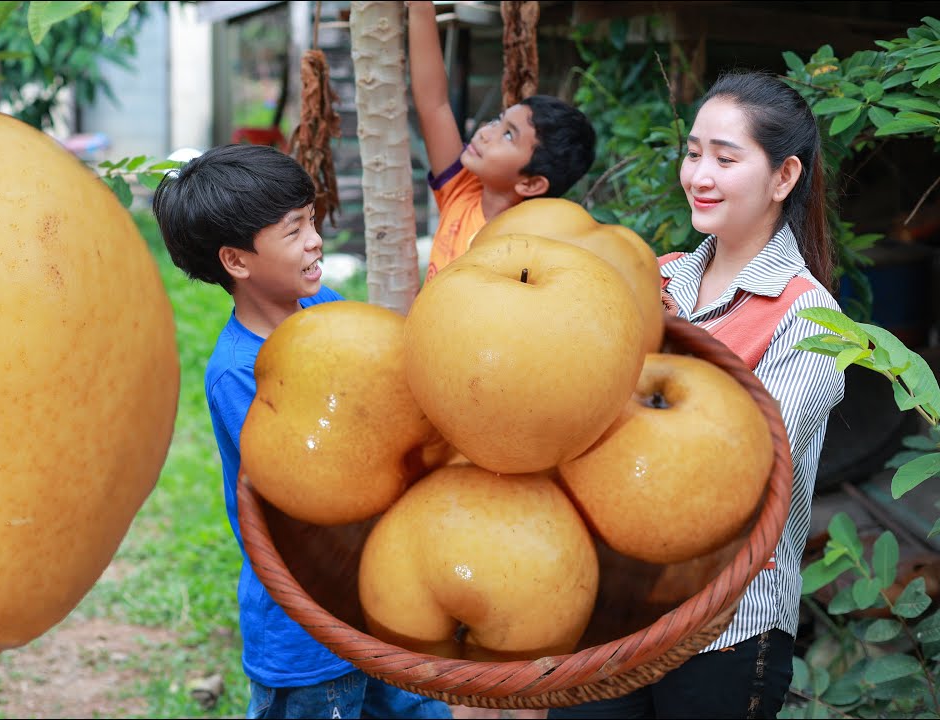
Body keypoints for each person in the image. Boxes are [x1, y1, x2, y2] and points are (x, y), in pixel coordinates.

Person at [547, 71, 847, 719]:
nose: (699, 174)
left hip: (730, 627)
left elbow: (741, 471)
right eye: (692, 153)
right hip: (614, 605)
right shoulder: (656, 278)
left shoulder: (811, 319)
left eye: (725, 157)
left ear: (784, 177)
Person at [151, 143, 453, 720]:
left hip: (377, 597)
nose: (315, 239)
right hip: (306, 625)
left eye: (310, 221)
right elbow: (308, 485)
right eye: (293, 231)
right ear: (237, 262)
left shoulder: (324, 305)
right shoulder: (241, 372)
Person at [405, 0, 597, 282]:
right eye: (497, 120)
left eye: (508, 134)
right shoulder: (461, 191)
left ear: (531, 183)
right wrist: (420, 7)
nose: (484, 131)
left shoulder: (530, 251)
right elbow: (433, 105)